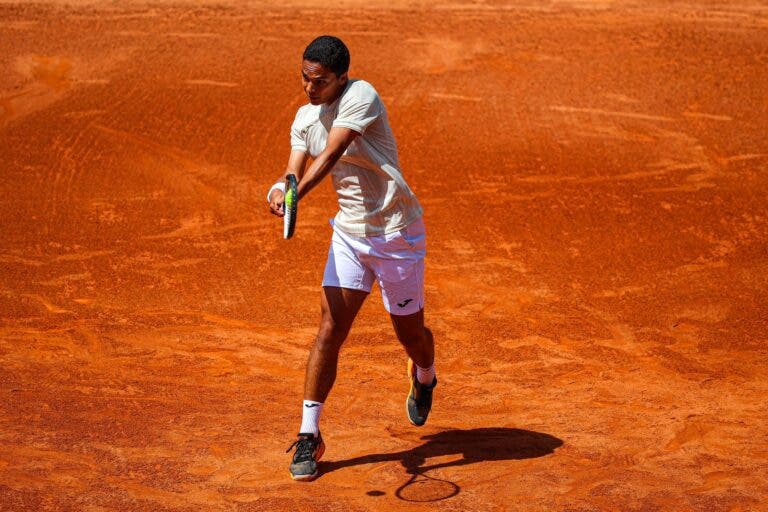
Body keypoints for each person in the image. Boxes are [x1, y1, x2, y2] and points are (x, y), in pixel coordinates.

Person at [267, 35, 437, 482]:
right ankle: (309, 433)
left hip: (397, 233)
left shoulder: (362, 95)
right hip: (350, 235)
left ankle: (424, 374)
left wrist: (295, 196)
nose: (309, 89)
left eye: (319, 81)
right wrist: (281, 187)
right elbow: (295, 166)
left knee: (411, 334)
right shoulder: (305, 117)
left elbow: (333, 151)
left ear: (340, 78)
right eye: (305, 79)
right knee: (329, 328)